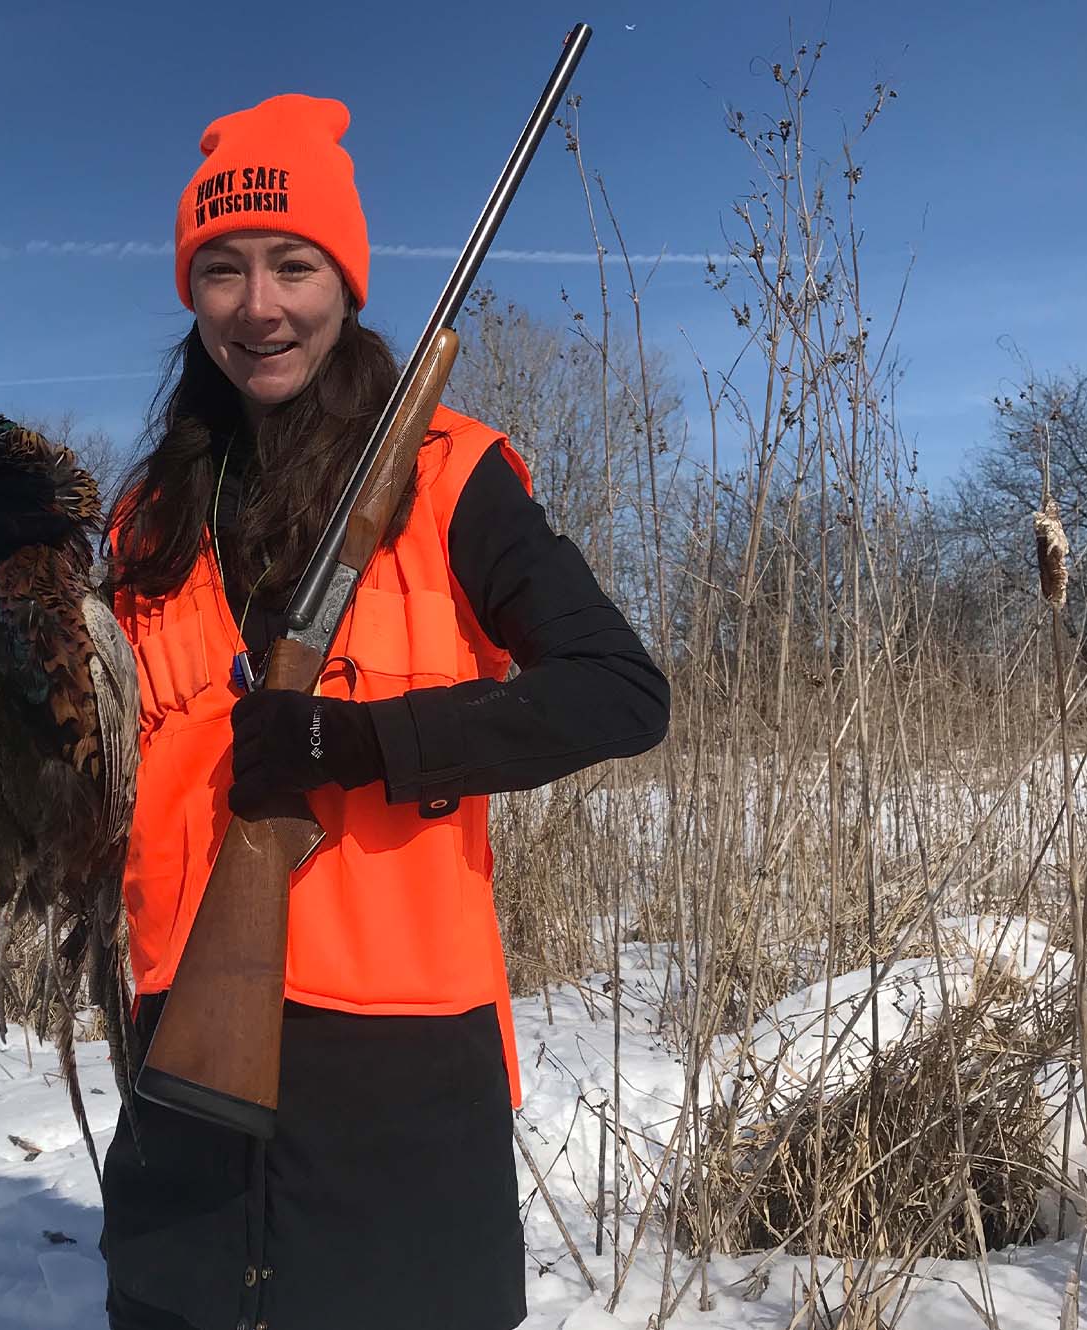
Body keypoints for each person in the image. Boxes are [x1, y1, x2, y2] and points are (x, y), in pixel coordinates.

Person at [101, 91, 669, 1330]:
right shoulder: (146, 519)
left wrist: (363, 743)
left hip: (397, 1075)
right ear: (189, 294)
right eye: (223, 271)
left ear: (345, 280)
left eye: (293, 264)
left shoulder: (450, 473)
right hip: (178, 1047)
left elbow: (619, 694)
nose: (259, 307)